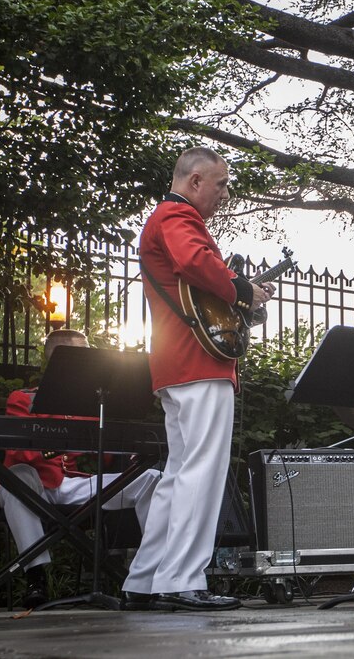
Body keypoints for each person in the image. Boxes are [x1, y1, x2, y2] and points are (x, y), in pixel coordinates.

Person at [120, 146, 273, 612]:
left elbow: (192, 279)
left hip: (177, 364)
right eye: (221, 183)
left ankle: (145, 580)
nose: (226, 193)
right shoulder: (177, 217)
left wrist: (240, 295)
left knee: (178, 475)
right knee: (201, 474)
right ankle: (183, 580)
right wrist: (244, 289)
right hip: (199, 365)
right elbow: (194, 262)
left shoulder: (166, 218)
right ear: (193, 182)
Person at [0, 329, 162, 609]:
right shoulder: (23, 398)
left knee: (152, 479)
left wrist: (123, 457)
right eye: (83, 355)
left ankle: (149, 577)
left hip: (71, 485)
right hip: (33, 487)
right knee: (17, 477)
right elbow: (20, 451)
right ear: (57, 359)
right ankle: (36, 576)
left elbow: (103, 458)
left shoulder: (91, 405)